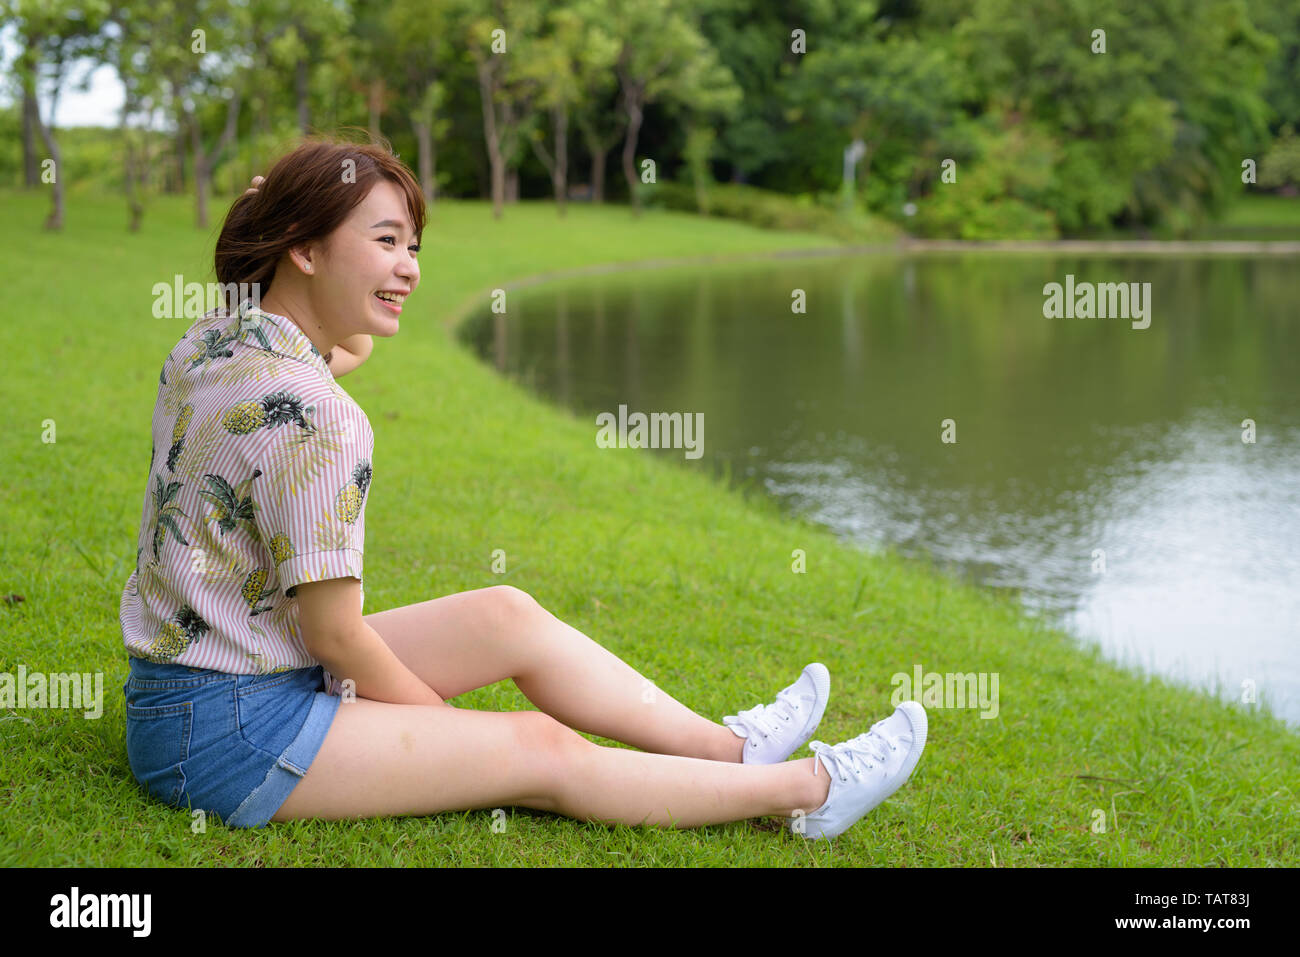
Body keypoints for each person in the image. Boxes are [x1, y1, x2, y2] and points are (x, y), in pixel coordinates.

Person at [119, 133, 928, 840]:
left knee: (504, 614)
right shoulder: (321, 418)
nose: (410, 269)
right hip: (229, 731)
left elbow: (338, 347)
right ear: (304, 245)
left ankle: (731, 749)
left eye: (415, 247)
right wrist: (446, 738)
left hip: (205, 682)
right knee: (534, 747)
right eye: (389, 240)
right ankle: (806, 792)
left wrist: (271, 212)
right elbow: (335, 639)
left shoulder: (220, 339)